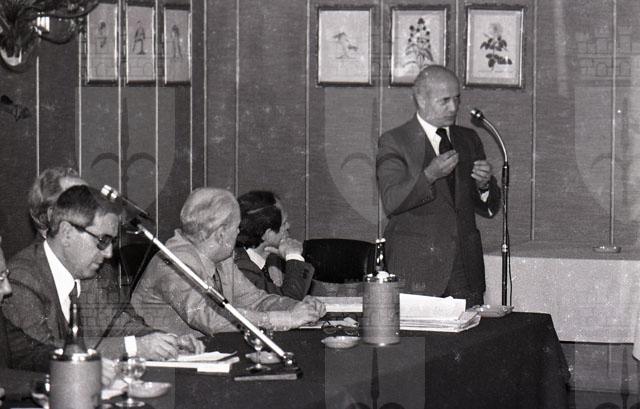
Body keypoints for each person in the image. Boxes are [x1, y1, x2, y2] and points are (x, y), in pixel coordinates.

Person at [2, 185, 204, 361]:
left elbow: (119, 326)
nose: (108, 253)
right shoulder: (22, 277)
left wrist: (166, 340)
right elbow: (39, 352)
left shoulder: (86, 275)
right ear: (66, 233)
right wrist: (134, 347)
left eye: (111, 243)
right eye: (102, 241)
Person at [376, 65, 500, 306]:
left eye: (457, 99)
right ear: (421, 100)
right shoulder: (395, 141)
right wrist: (429, 175)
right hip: (417, 268)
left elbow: (488, 208)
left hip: (465, 269)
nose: (454, 108)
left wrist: (484, 185)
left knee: (471, 330)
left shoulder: (468, 139)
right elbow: (391, 201)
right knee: (419, 332)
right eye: (445, 101)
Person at [131, 187, 325, 338]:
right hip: (166, 363)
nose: (239, 233)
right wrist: (287, 318)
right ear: (221, 234)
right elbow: (210, 318)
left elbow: (255, 300)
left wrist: (297, 308)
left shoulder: (222, 259)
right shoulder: (173, 262)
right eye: (236, 227)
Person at [234, 190, 313, 300]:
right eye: (284, 223)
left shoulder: (259, 262)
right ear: (268, 234)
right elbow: (288, 303)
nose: (288, 226)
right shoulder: (243, 270)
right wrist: (294, 255)